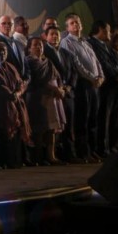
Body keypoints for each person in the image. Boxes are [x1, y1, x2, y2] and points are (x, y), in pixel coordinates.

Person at [59, 13, 103, 162]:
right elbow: (77, 64)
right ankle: (83, 152)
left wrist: (101, 76)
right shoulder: (67, 42)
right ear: (67, 27)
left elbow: (96, 61)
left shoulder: (86, 42)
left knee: (93, 118)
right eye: (72, 23)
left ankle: (93, 150)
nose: (76, 25)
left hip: (95, 84)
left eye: (77, 22)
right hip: (83, 84)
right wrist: (92, 78)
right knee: (83, 119)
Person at [25, 33, 66, 165]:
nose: (39, 47)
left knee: (51, 129)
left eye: (41, 45)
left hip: (52, 99)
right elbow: (36, 79)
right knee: (39, 128)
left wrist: (60, 88)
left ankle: (51, 155)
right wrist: (54, 89)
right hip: (38, 98)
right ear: (29, 48)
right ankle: (38, 157)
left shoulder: (47, 61)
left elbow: (57, 76)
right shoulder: (29, 62)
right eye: (35, 45)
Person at [0, 39, 31, 169]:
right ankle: (1, 161)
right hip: (1, 105)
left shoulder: (11, 67)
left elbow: (21, 83)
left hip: (16, 103)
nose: (2, 53)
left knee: (16, 133)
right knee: (1, 133)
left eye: (4, 51)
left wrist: (18, 93)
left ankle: (15, 160)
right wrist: (10, 94)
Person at [43, 27, 79, 162]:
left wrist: (69, 86)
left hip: (67, 93)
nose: (55, 37)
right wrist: (57, 88)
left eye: (57, 35)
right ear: (46, 36)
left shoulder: (66, 53)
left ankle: (70, 154)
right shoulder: (44, 52)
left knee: (69, 125)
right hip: (53, 94)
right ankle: (54, 155)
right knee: (54, 127)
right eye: (52, 35)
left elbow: (74, 72)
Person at [87, 21, 118, 155]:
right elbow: (102, 63)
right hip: (105, 88)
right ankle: (103, 148)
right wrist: (116, 75)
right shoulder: (92, 44)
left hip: (115, 87)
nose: (110, 33)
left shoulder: (106, 46)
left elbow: (117, 61)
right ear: (100, 30)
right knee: (104, 119)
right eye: (108, 30)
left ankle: (114, 147)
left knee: (115, 119)